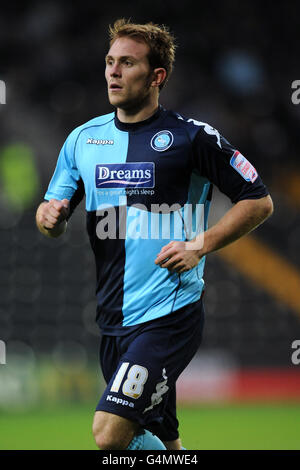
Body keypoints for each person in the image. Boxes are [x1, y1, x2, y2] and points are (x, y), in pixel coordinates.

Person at [35, 19, 274, 450]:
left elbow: (258, 201)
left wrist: (200, 245)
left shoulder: (191, 137)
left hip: (168, 316)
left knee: (109, 435)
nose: (113, 72)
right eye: (110, 62)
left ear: (156, 76)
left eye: (127, 63)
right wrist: (48, 218)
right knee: (158, 442)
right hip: (112, 321)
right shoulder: (82, 140)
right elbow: (51, 210)